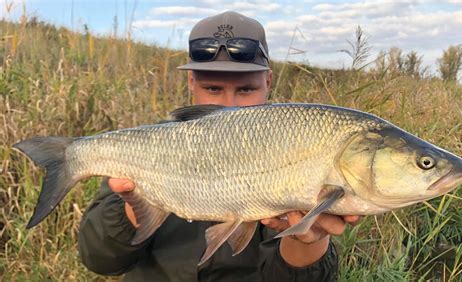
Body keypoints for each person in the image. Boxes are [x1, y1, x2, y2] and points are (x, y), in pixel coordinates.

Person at [78, 11, 360, 281]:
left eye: (246, 89)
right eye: (213, 88)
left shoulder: (297, 145)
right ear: (191, 81)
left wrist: (308, 241)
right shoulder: (150, 146)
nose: (230, 106)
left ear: (268, 81)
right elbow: (100, 260)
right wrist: (140, 205)